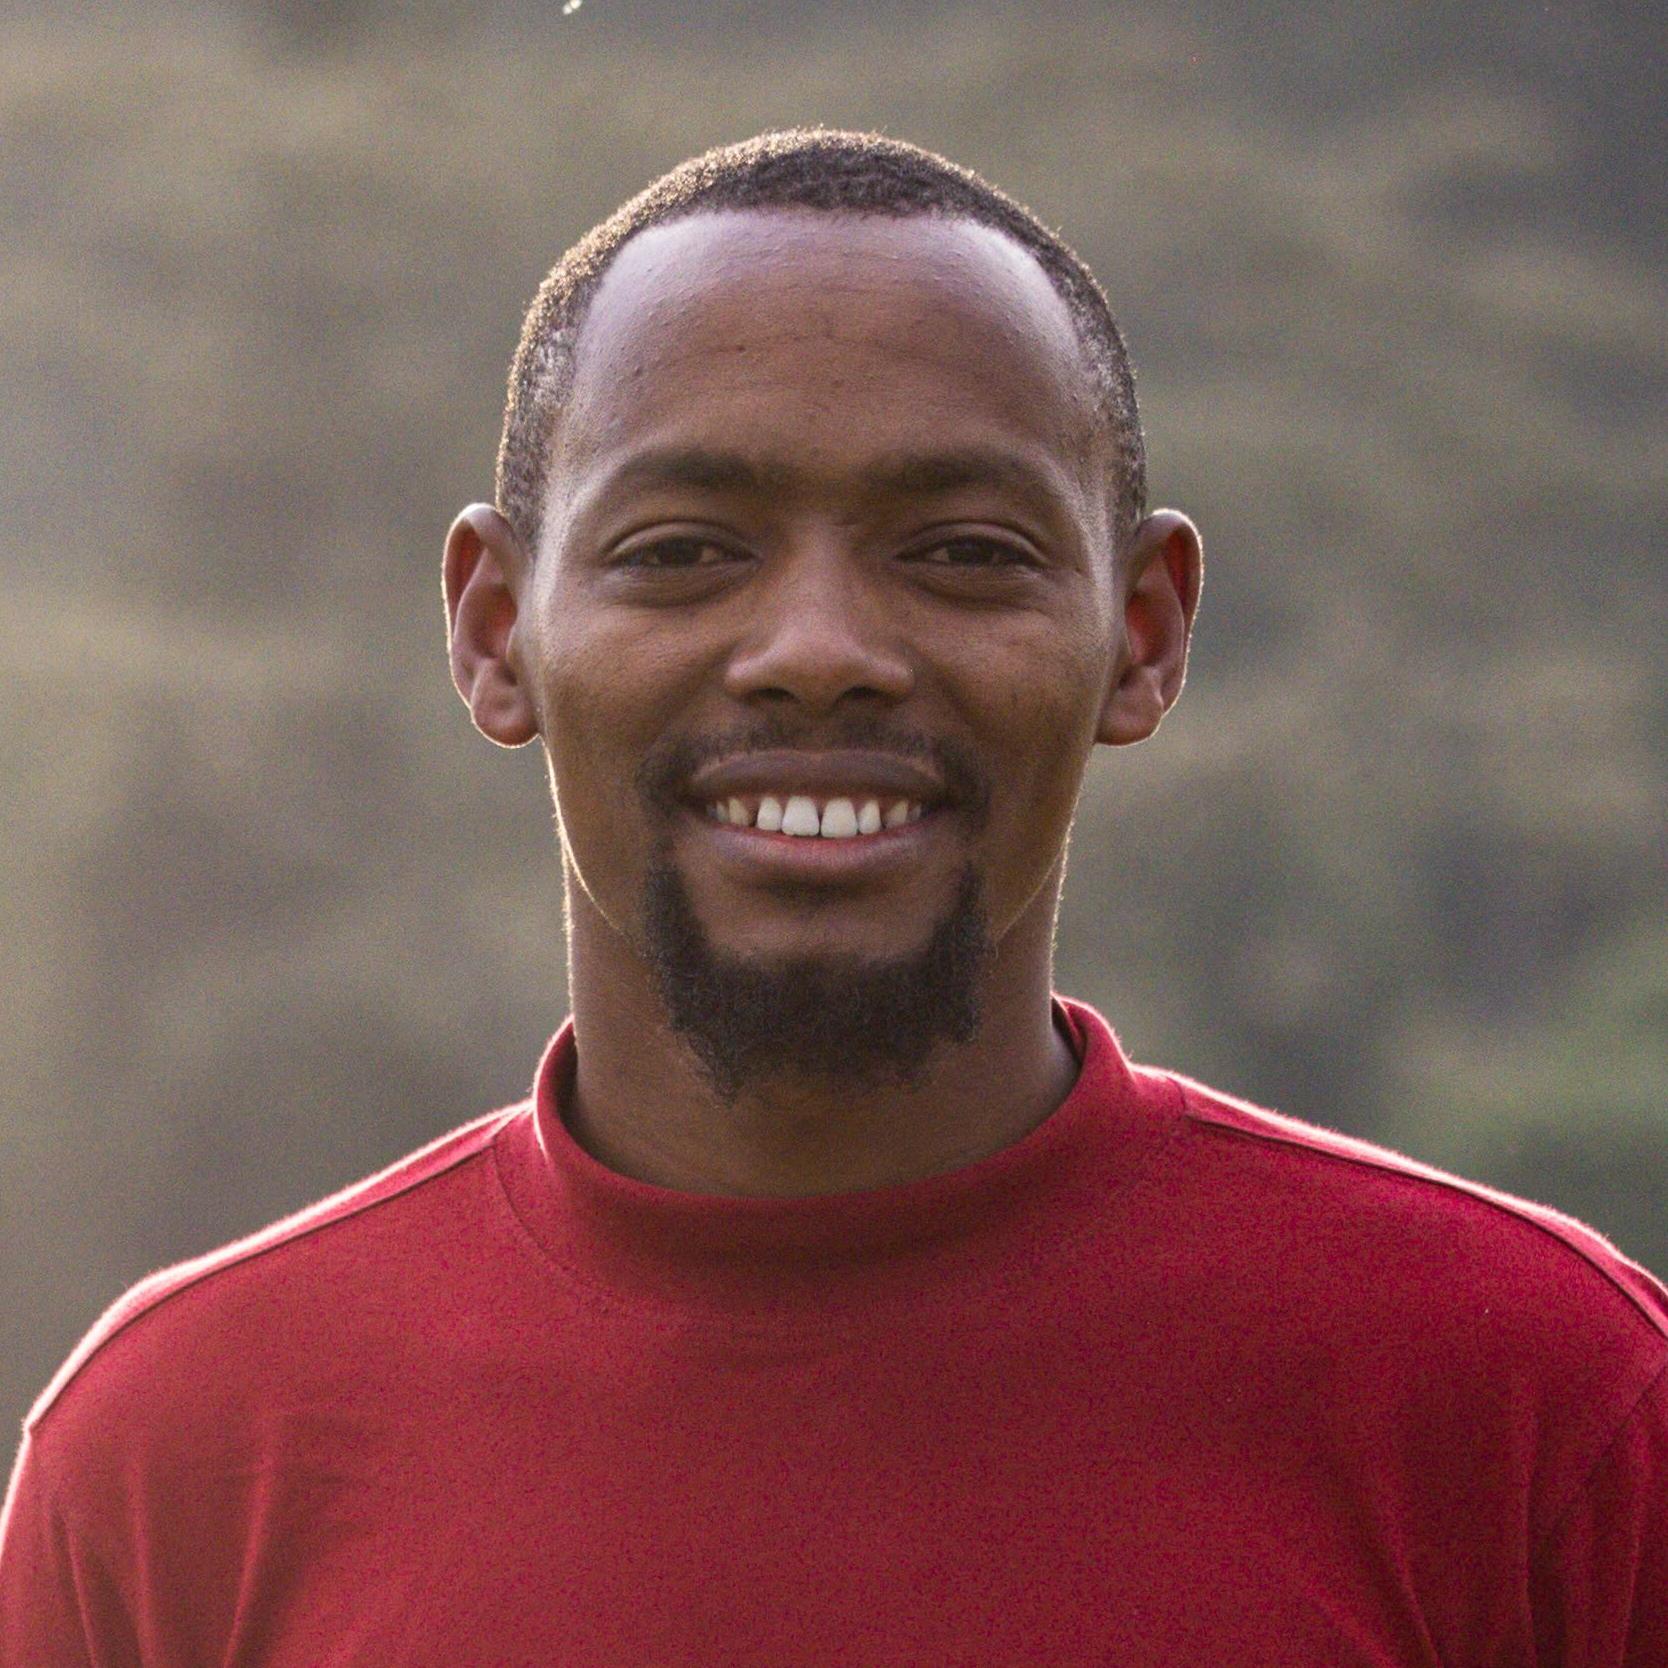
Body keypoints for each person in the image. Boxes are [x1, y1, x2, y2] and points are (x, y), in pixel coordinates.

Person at [2, 127, 1663, 1666]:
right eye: (682, 549)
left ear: (1142, 633)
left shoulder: (1544, 1405)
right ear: (497, 629)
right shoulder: (181, 1459)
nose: (818, 652)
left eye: (963, 552)